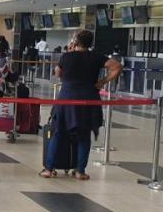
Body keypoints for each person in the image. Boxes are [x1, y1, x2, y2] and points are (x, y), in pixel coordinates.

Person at [41, 29, 122, 180]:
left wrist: (69, 56)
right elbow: (117, 66)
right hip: (88, 97)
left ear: (76, 41)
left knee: (58, 132)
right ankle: (80, 171)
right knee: (84, 135)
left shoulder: (67, 56)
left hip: (67, 97)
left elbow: (58, 73)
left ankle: (48, 169)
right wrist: (102, 82)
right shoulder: (96, 57)